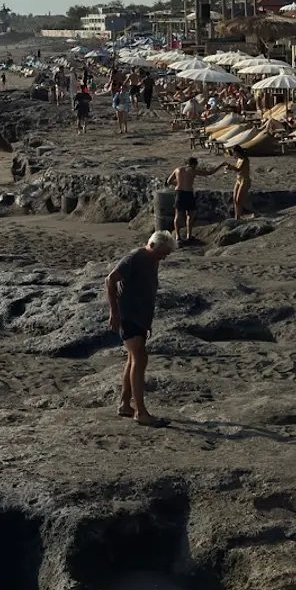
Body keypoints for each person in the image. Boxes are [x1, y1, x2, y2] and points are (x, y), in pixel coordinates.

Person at [105, 230, 177, 426]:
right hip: (129, 315)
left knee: (134, 358)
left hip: (141, 317)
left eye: (167, 254)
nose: (164, 257)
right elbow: (110, 279)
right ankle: (141, 412)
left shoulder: (152, 260)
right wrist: (114, 313)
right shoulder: (135, 258)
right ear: (151, 246)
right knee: (139, 358)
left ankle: (124, 405)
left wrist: (147, 322)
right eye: (162, 252)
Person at [166, 156, 222, 244]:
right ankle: (189, 235)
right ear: (193, 164)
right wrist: (220, 166)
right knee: (190, 215)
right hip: (188, 193)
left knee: (178, 215)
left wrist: (177, 184)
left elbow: (169, 181)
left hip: (179, 192)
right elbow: (209, 173)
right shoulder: (192, 170)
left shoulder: (177, 169)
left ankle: (178, 236)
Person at [220, 150, 254, 221]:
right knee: (235, 199)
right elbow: (236, 168)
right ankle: (237, 217)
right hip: (238, 180)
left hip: (244, 180)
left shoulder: (244, 160)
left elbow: (238, 169)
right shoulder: (239, 159)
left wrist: (230, 167)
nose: (234, 155)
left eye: (234, 153)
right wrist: (229, 167)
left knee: (239, 200)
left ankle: (253, 212)